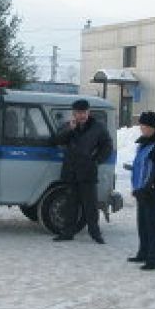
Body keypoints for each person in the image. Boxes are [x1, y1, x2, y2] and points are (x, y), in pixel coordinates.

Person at [51, 99, 112, 244]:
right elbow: (55, 141)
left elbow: (107, 146)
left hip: (88, 171)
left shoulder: (98, 127)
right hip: (71, 171)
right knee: (70, 204)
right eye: (78, 113)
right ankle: (67, 232)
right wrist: (69, 130)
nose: (82, 115)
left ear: (88, 112)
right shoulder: (68, 126)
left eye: (84, 112)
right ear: (74, 114)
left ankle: (95, 233)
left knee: (90, 205)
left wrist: (96, 160)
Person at [129, 111, 155, 270]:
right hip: (142, 190)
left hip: (154, 192)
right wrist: (137, 188)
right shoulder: (144, 143)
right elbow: (140, 168)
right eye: (141, 125)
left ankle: (154, 259)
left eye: (144, 125)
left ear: (153, 127)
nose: (141, 128)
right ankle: (144, 252)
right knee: (143, 223)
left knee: (153, 225)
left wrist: (151, 187)